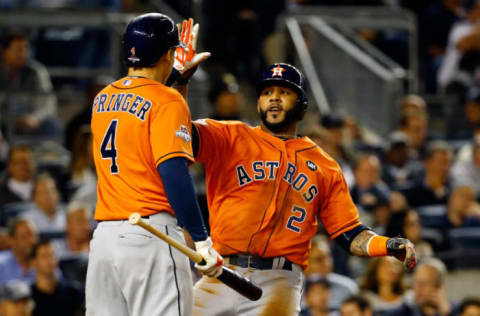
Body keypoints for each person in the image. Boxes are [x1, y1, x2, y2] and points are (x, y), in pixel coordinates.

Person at [191, 63, 417, 316]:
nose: (274, 97)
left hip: (278, 281)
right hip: (221, 271)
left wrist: (387, 244)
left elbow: (350, 234)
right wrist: (179, 82)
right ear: (258, 103)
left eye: (284, 92)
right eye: (267, 92)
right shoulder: (230, 136)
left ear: (302, 104)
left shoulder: (325, 167)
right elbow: (176, 134)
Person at [85, 13, 222, 316]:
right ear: (167, 54)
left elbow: (143, 113)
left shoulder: (102, 98)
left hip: (105, 240)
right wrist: (201, 239)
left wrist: (178, 79)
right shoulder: (167, 101)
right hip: (150, 236)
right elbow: (173, 171)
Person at [0, 30, 60, 140]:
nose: (23, 54)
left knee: (52, 125)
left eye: (26, 48)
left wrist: (34, 118)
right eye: (18, 50)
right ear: (4, 51)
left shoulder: (36, 71)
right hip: (4, 121)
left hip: (29, 121)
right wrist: (9, 119)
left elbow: (49, 104)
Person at [30, 239, 84, 316]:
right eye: (44, 256)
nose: (50, 260)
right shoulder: (28, 297)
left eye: (52, 255)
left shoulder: (73, 292)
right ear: (33, 262)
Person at [385, 257, 456, 316]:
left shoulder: (458, 310)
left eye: (423, 283)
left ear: (438, 286)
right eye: (416, 282)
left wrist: (446, 313)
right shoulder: (404, 311)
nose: (417, 288)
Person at [0, 219, 38, 284]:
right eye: (24, 237)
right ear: (12, 240)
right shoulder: (2, 265)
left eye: (33, 235)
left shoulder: (47, 261)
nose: (31, 241)